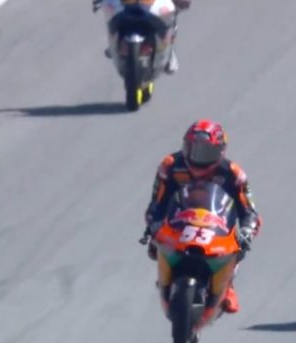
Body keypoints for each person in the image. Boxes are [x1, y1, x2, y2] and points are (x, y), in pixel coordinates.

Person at [142, 119, 262, 319]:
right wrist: (154, 224)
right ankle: (166, 277)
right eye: (191, 148)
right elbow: (156, 203)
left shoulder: (233, 174)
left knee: (239, 247)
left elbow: (249, 211)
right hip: (178, 223)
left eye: (205, 152)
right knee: (154, 247)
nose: (196, 156)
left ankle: (227, 286)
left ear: (219, 152)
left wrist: (247, 231)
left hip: (216, 227)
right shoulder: (170, 166)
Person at [93, 0, 191, 74]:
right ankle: (114, 42)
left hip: (155, 7)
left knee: (170, 17)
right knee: (113, 14)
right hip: (128, 6)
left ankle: (169, 52)